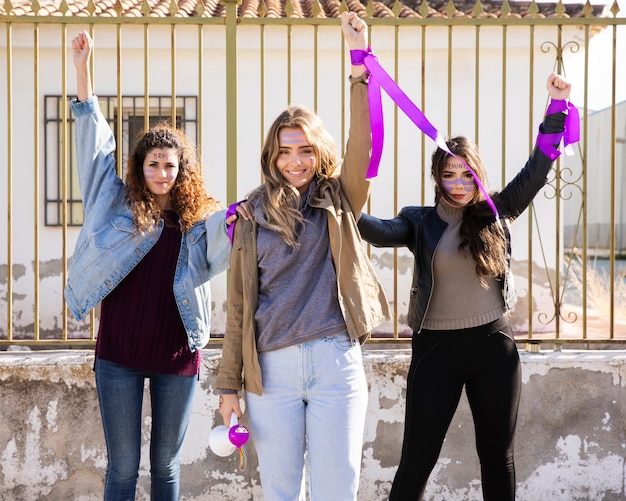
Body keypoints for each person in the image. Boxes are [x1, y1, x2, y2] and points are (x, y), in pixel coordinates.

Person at [357, 72, 573, 500]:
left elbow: (538, 168)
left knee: (497, 456)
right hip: (436, 351)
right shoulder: (418, 221)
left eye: (466, 174)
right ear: (437, 176)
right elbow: (377, 230)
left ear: (477, 176)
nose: (458, 183)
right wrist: (338, 204)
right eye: (449, 174)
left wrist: (556, 108)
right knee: (417, 458)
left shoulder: (496, 212)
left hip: (494, 348)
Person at [215, 12, 390, 501]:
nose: (295, 161)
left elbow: (366, 143)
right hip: (272, 373)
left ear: (319, 153)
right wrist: (229, 385)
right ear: (272, 154)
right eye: (285, 151)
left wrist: (360, 62)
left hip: (336, 361)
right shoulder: (249, 215)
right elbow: (238, 307)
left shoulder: (340, 198)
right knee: (281, 492)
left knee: (338, 490)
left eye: (305, 150)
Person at [65, 31, 233, 500]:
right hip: (117, 355)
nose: (162, 173)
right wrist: (83, 70)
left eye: (170, 166)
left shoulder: (196, 220)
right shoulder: (114, 203)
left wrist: (252, 213)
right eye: (153, 164)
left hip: (176, 357)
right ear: (140, 166)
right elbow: (94, 145)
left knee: (166, 467)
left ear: (183, 170)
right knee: (122, 468)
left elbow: (228, 239)